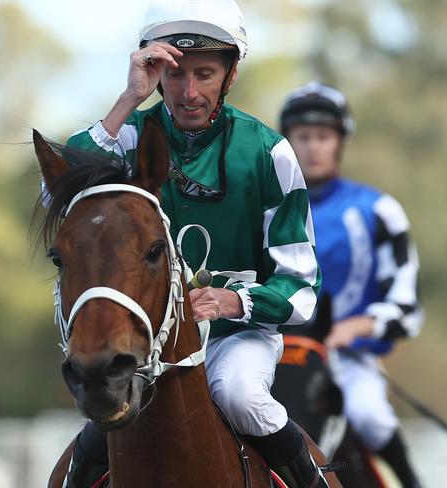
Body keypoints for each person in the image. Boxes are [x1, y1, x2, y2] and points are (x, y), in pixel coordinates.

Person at [59, 1, 327, 487]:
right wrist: (128, 97)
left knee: (241, 396)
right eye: (175, 75)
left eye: (204, 74)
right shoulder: (130, 134)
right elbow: (57, 187)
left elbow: (301, 287)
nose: (188, 92)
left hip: (237, 337)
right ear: (156, 73)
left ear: (231, 74)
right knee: (102, 414)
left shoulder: (269, 153)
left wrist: (234, 301)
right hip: (149, 338)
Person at [280, 81, 424, 488]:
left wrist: (354, 328)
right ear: (287, 142)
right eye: (302, 137)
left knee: (370, 416)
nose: (312, 147)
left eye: (323, 136)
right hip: (271, 350)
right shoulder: (265, 207)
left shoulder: (379, 210)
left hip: (347, 357)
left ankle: (412, 480)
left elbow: (407, 307)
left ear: (340, 142)